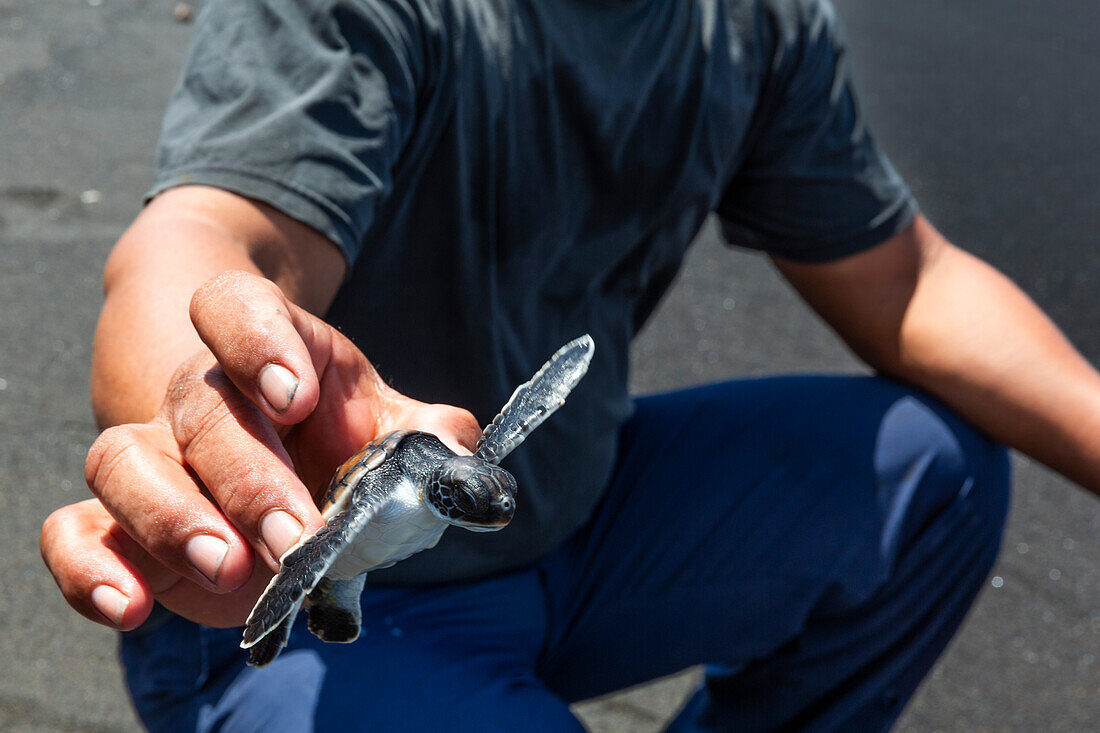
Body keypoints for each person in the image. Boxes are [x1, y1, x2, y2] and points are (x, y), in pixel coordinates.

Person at [39, 0, 1099, 730]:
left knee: (933, 470)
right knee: (275, 586)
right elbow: (205, 240)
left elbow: (906, 281)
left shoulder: (744, 24)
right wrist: (192, 419)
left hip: (571, 530)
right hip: (307, 610)